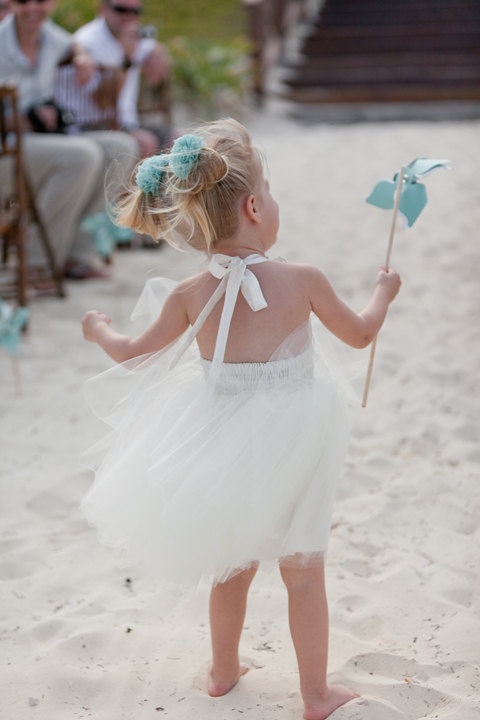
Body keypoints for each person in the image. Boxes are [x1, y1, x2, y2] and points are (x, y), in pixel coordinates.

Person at [81, 118, 401, 719]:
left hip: (223, 438)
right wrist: (384, 292)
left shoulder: (188, 293)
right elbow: (360, 335)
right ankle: (315, 695)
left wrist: (99, 328)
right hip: (299, 436)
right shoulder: (302, 279)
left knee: (233, 563)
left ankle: (223, 671)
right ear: (254, 206)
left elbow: (131, 356)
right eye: (271, 192)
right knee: (303, 570)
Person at [0, 0, 138, 280]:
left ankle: (76, 256)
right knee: (81, 155)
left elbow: (72, 44)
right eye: (23, 1)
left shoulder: (49, 35)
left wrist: (81, 56)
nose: (32, 8)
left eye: (40, 1)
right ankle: (37, 263)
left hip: (41, 140)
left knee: (120, 147)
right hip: (7, 147)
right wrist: (25, 118)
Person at [73, 0, 172, 158]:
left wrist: (157, 49)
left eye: (136, 11)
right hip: (91, 124)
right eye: (121, 10)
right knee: (145, 143)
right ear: (103, 9)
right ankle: (137, 184)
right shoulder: (87, 42)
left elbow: (157, 65)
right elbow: (104, 103)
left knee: (180, 140)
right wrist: (126, 59)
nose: (129, 16)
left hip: (127, 123)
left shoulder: (132, 37)